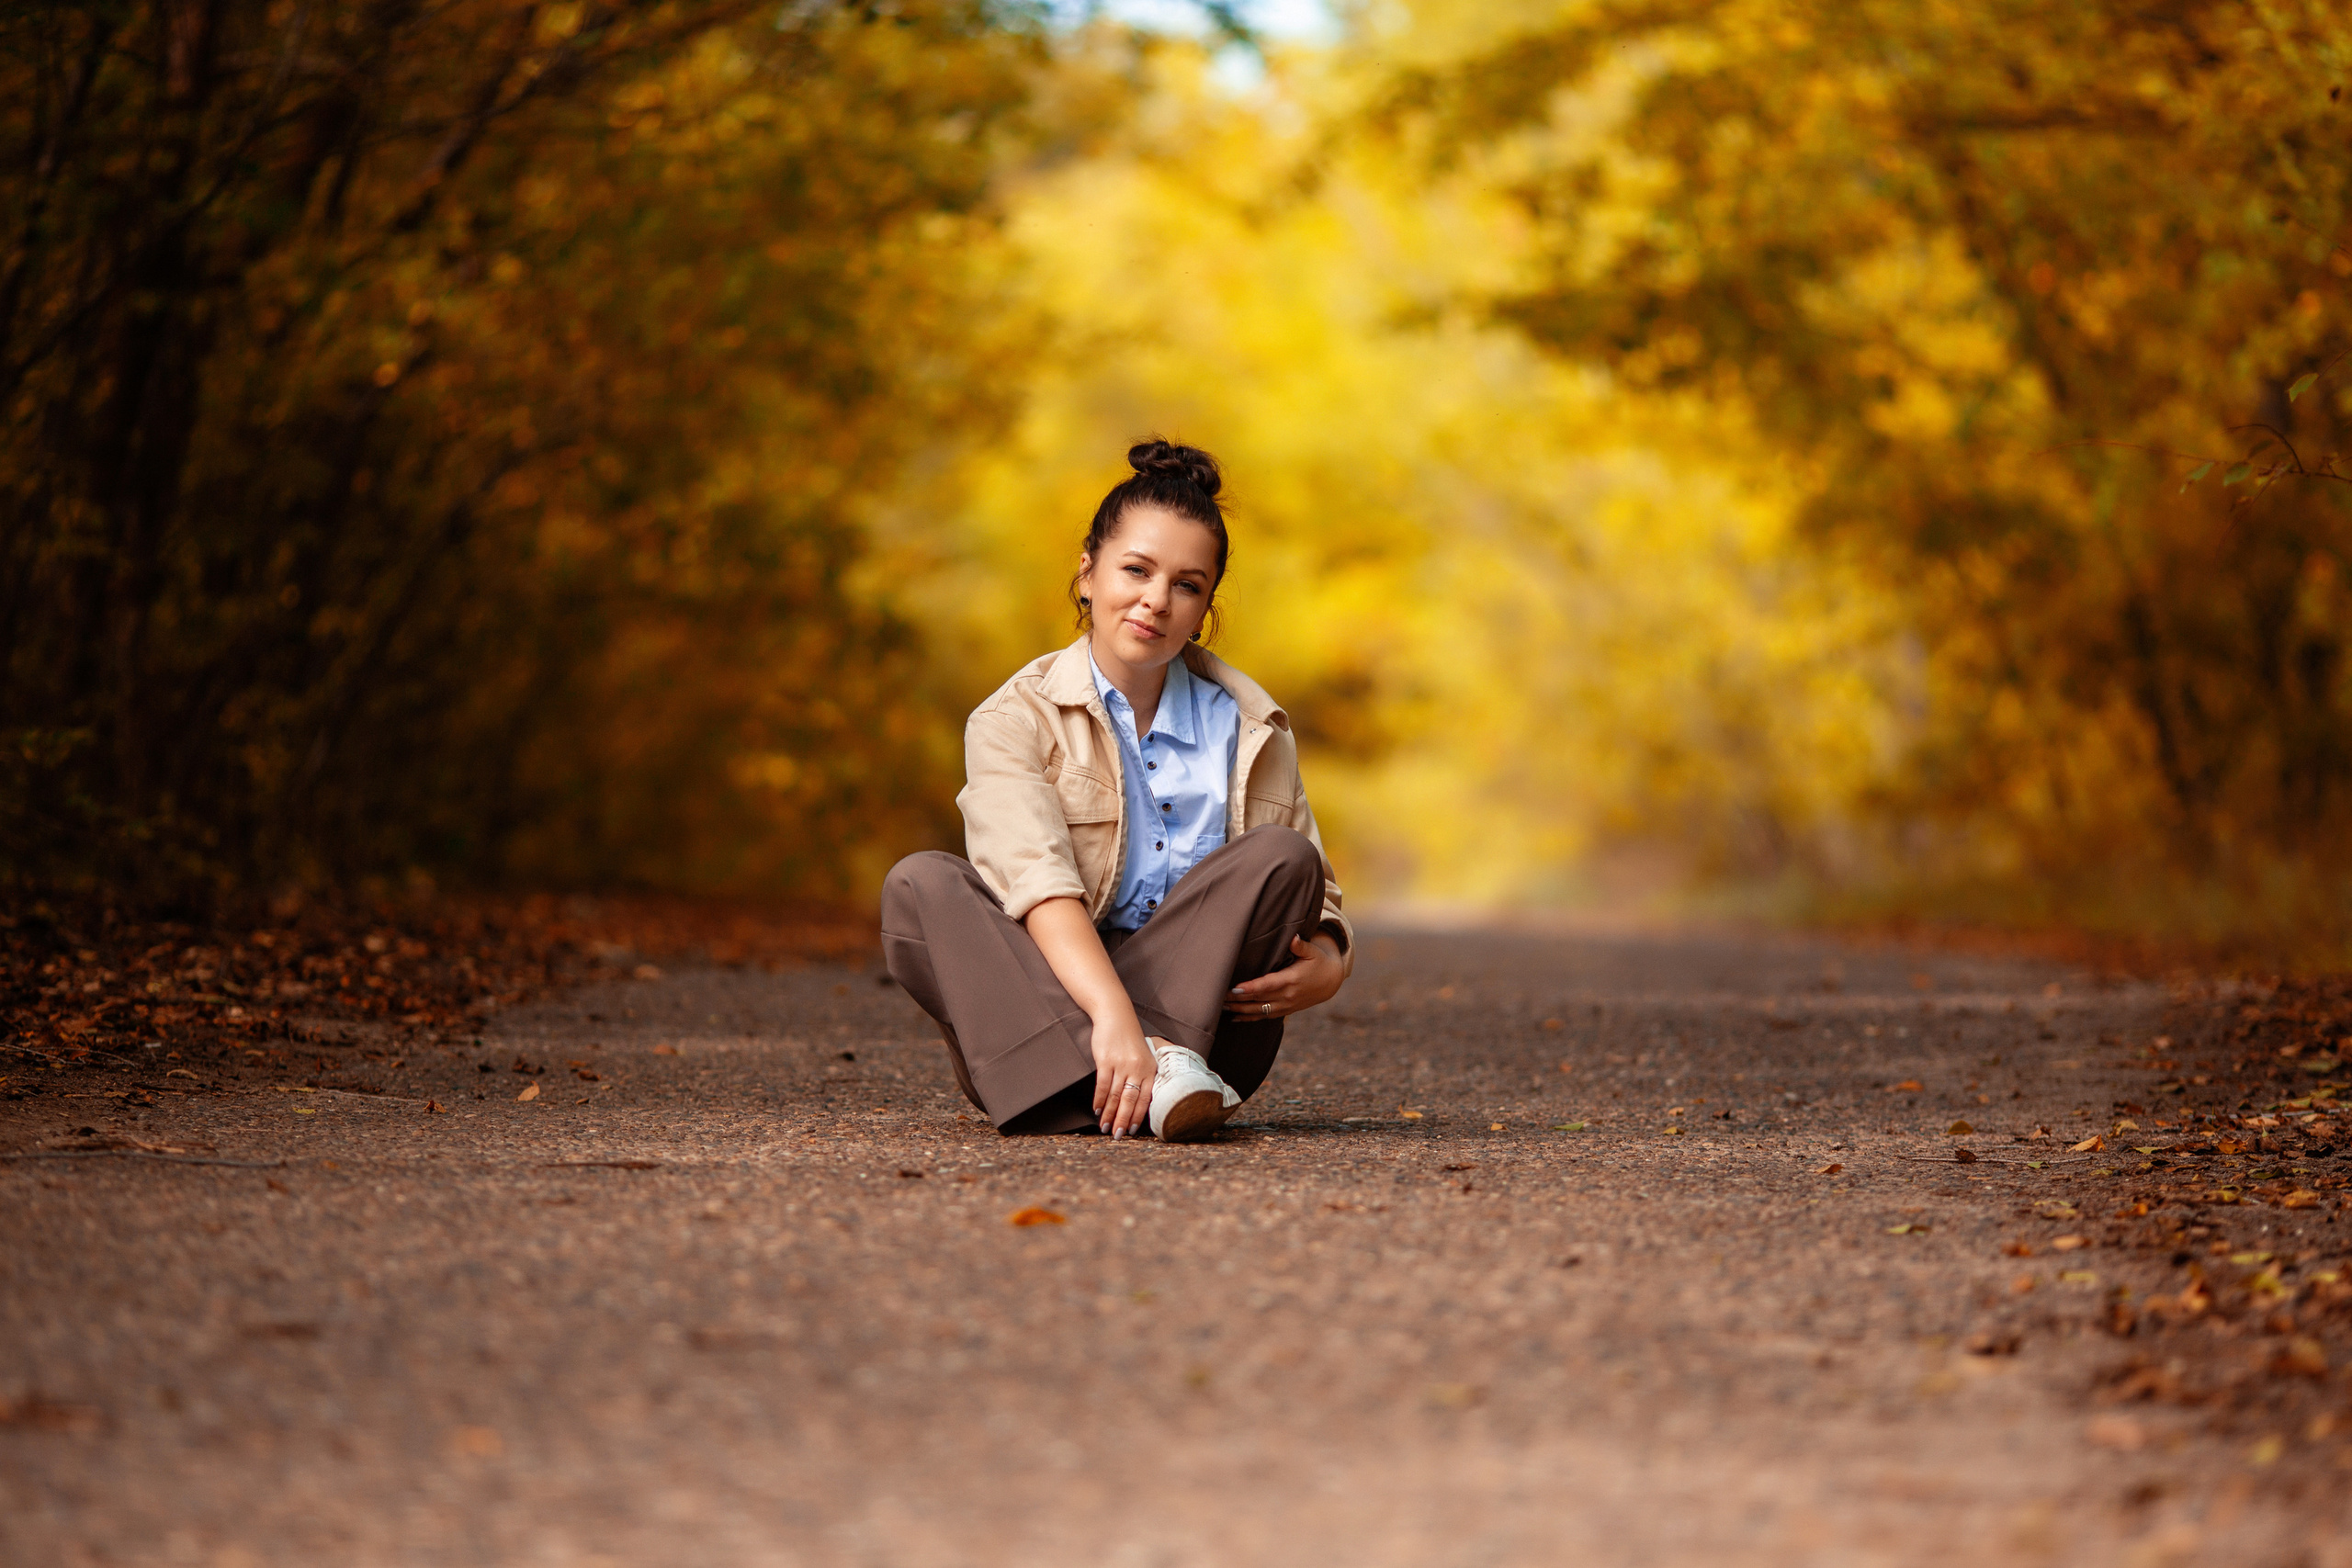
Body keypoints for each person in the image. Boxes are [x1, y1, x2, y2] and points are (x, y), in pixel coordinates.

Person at [881, 440, 1353, 1142]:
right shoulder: (1015, 717)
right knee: (919, 886)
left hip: (1212, 1029)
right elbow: (1037, 881)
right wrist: (1113, 1020)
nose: (1155, 600)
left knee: (1281, 855)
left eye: (1187, 585)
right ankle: (1154, 1075)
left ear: (1205, 607)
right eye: (1136, 569)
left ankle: (1060, 1088)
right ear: (1086, 572)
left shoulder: (1252, 727)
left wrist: (1334, 964)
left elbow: (1318, 891)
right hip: (1061, 1004)